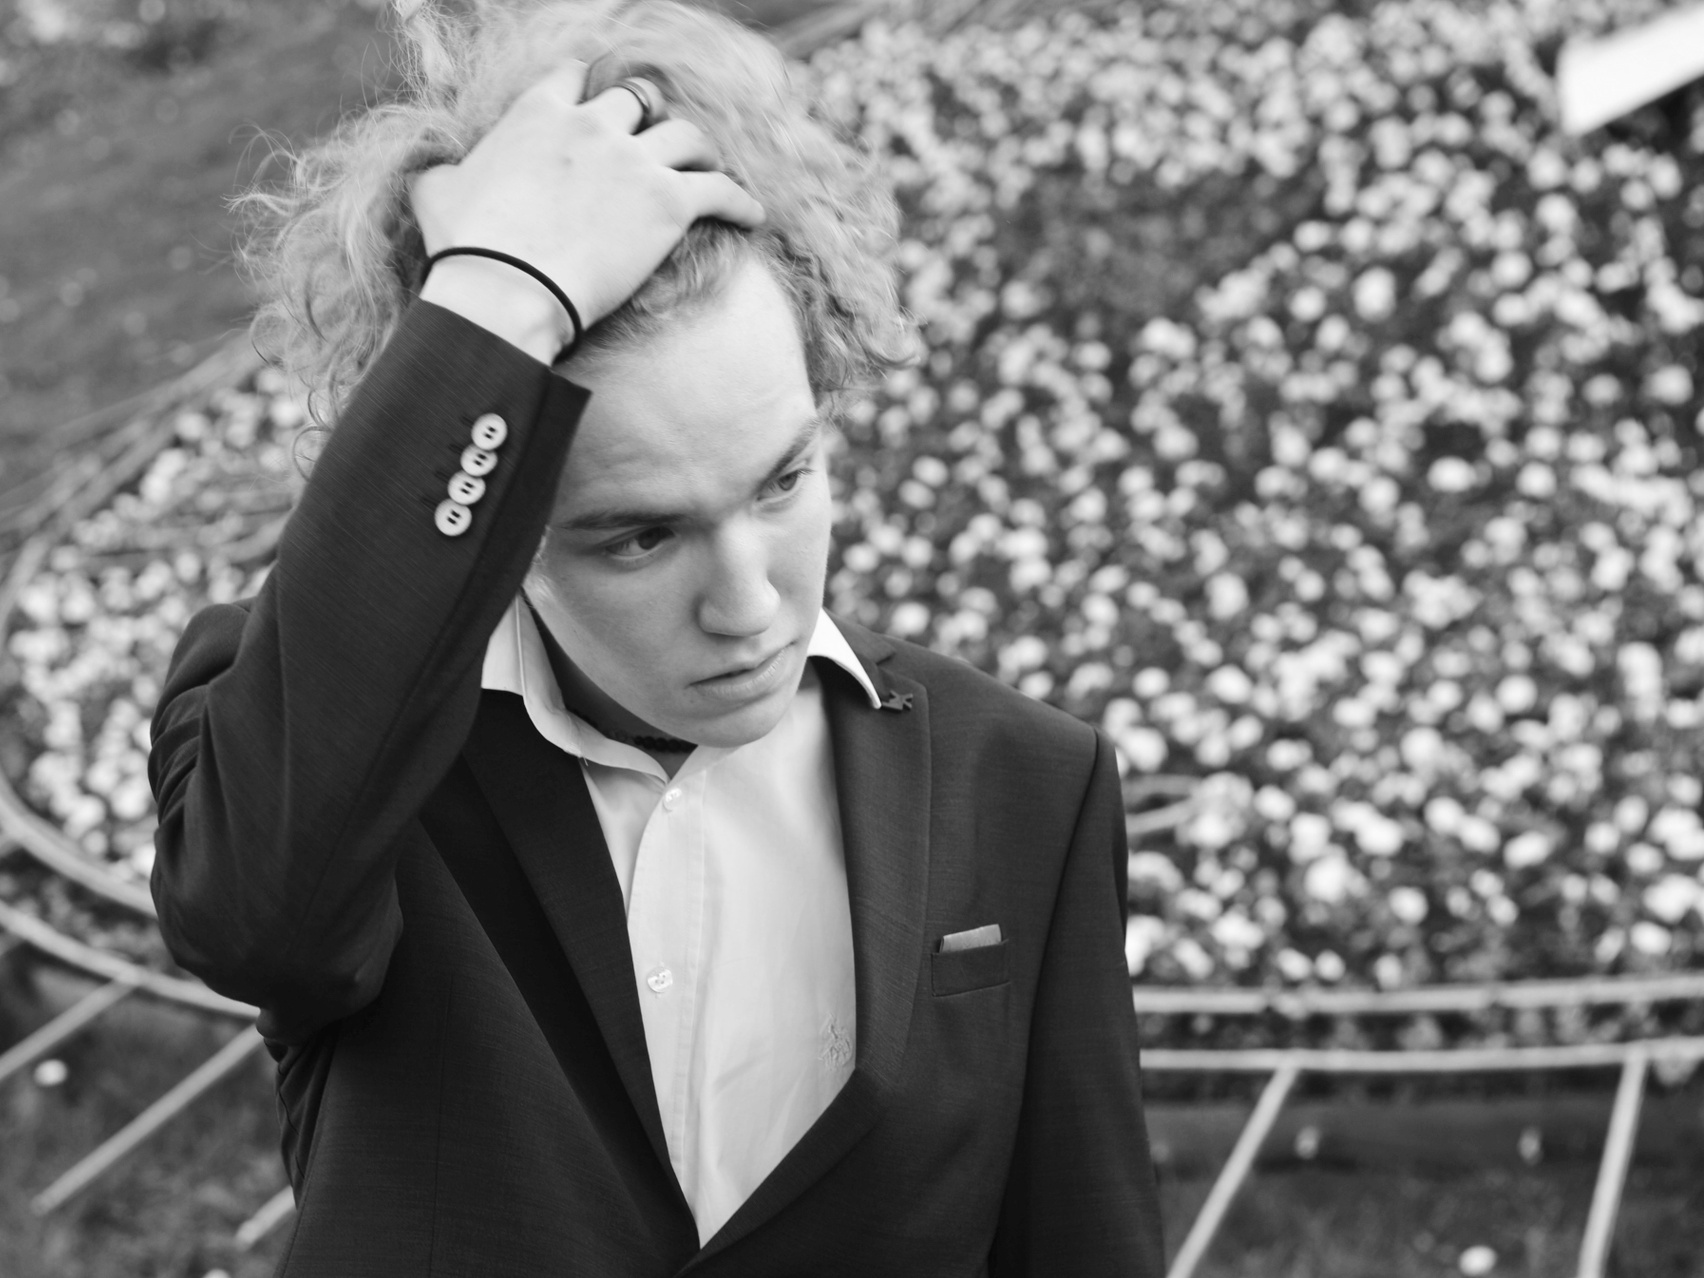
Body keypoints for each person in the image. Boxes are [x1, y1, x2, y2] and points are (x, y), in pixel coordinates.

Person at [148, 1, 1163, 1272]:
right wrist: (496, 302)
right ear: (506, 524)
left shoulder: (1024, 785)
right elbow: (247, 918)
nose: (750, 606)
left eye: (783, 482)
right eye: (639, 538)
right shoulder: (344, 766)